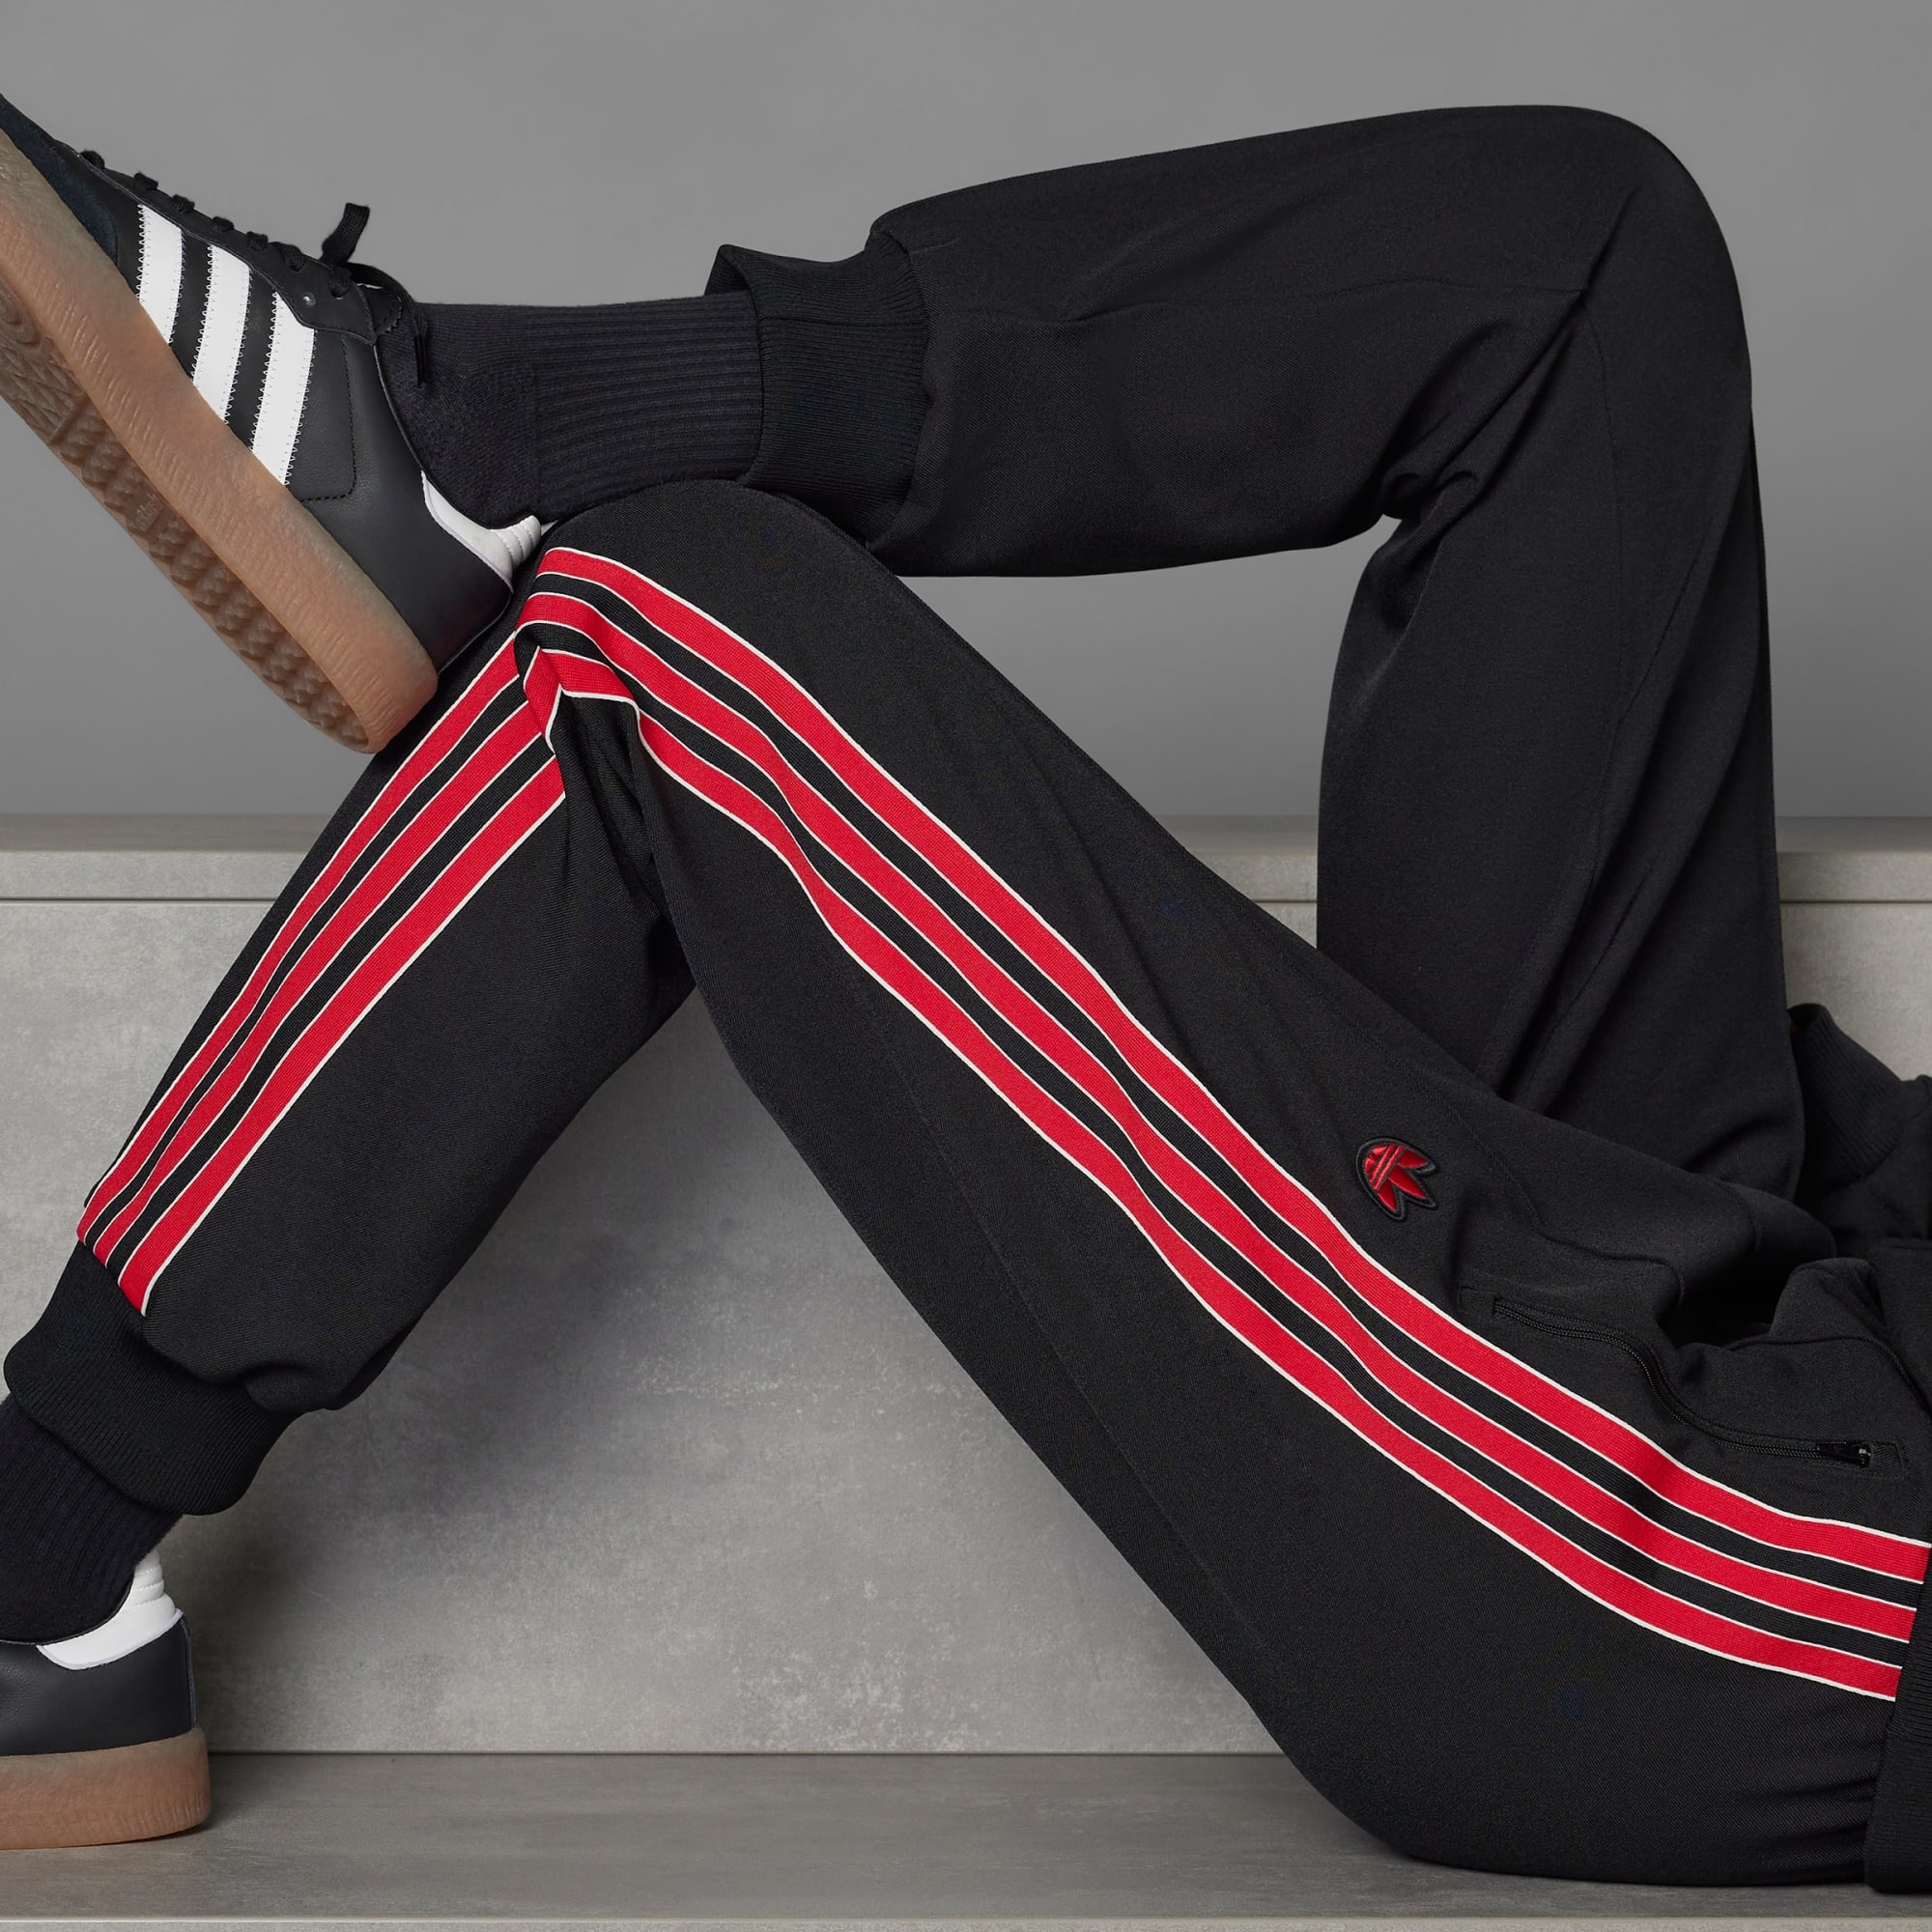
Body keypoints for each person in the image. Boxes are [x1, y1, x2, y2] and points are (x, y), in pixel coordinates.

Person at [2, 90, 1930, 1890]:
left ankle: (42, 1551)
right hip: (1801, 1292)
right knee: (1582, 254)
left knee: (664, 635)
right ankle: (487, 413)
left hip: (1727, 1561)